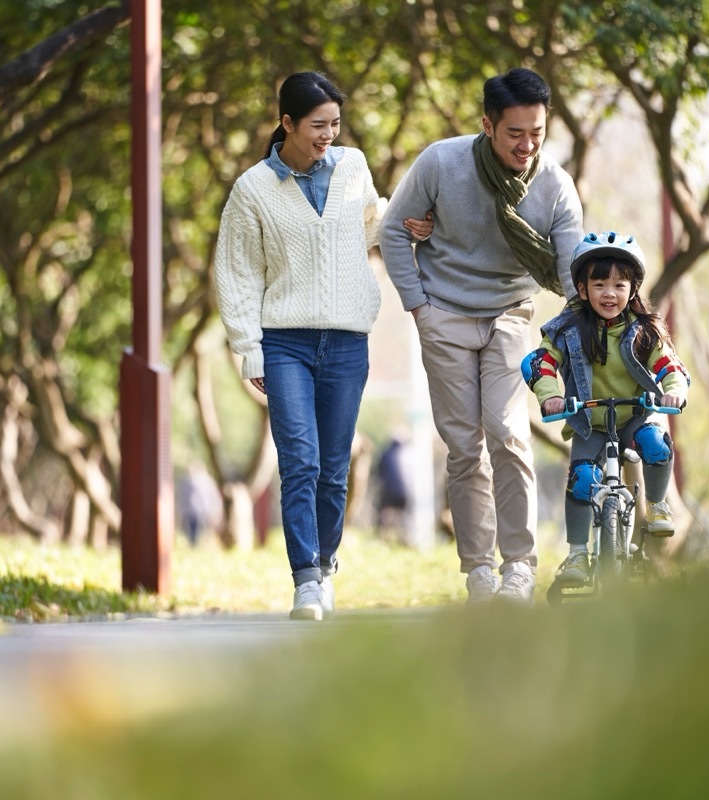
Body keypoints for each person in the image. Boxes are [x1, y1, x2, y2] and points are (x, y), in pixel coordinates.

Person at [214, 72, 432, 620]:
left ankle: (327, 563)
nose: (328, 135)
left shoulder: (352, 166)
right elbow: (236, 272)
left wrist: (406, 225)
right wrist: (249, 346)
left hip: (346, 341)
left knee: (335, 467)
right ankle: (305, 578)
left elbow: (368, 223)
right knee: (301, 461)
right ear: (286, 123)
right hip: (283, 341)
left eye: (335, 123)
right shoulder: (252, 189)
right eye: (317, 125)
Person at [379, 67, 584, 606]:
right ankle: (479, 571)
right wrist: (418, 307)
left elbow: (571, 270)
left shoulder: (554, 185)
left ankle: (519, 565)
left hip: (510, 315)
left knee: (509, 433)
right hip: (442, 314)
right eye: (515, 132)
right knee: (465, 447)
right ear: (487, 126)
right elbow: (393, 231)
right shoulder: (442, 162)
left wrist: (590, 319)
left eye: (537, 132)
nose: (527, 144)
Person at [521, 231, 690, 585]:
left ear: (633, 289)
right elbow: (539, 363)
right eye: (599, 284)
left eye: (619, 285)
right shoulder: (567, 329)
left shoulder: (645, 330)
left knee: (657, 445)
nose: (609, 294)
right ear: (582, 290)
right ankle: (578, 555)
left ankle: (657, 505)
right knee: (582, 480)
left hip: (635, 415)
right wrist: (549, 395)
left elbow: (671, 367)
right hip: (591, 422)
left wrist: (672, 391)